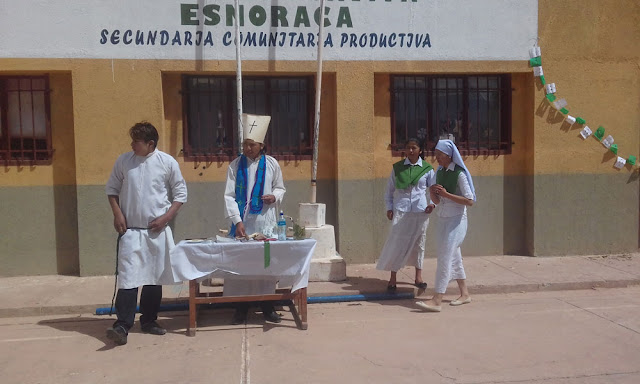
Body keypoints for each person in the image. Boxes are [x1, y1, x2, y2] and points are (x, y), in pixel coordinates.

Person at [105, 121, 188, 345]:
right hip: (131, 231)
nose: (132, 145)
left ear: (150, 144)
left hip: (156, 233)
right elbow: (112, 189)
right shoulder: (124, 161)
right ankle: (122, 325)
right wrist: (117, 214)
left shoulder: (166, 162)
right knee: (128, 279)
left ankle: (149, 320)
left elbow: (181, 193)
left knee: (153, 279)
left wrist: (166, 217)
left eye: (136, 141)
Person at [224, 113, 286, 325]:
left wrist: (274, 196)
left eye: (251, 144)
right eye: (245, 144)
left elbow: (280, 187)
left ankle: (267, 306)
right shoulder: (234, 166)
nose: (247, 148)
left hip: (264, 223)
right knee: (241, 267)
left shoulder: (271, 164)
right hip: (242, 224)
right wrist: (236, 221)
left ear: (261, 144)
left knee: (265, 266)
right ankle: (240, 308)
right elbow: (229, 196)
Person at [416, 139, 475, 312]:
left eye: (439, 156)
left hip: (457, 220)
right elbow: (436, 200)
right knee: (453, 256)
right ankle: (465, 293)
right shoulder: (439, 171)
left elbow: (470, 201)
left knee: (444, 258)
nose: (437, 159)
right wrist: (433, 193)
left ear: (448, 155)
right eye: (436, 156)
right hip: (443, 219)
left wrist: (446, 194)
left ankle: (437, 298)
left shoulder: (460, 174)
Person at [377, 138, 436, 291]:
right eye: (408, 148)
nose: (410, 151)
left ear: (420, 150)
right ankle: (393, 278)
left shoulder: (427, 169)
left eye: (414, 148)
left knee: (419, 243)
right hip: (401, 210)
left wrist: (432, 204)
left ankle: (418, 276)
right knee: (397, 243)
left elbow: (434, 190)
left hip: (421, 211)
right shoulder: (397, 168)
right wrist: (389, 207)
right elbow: (389, 191)